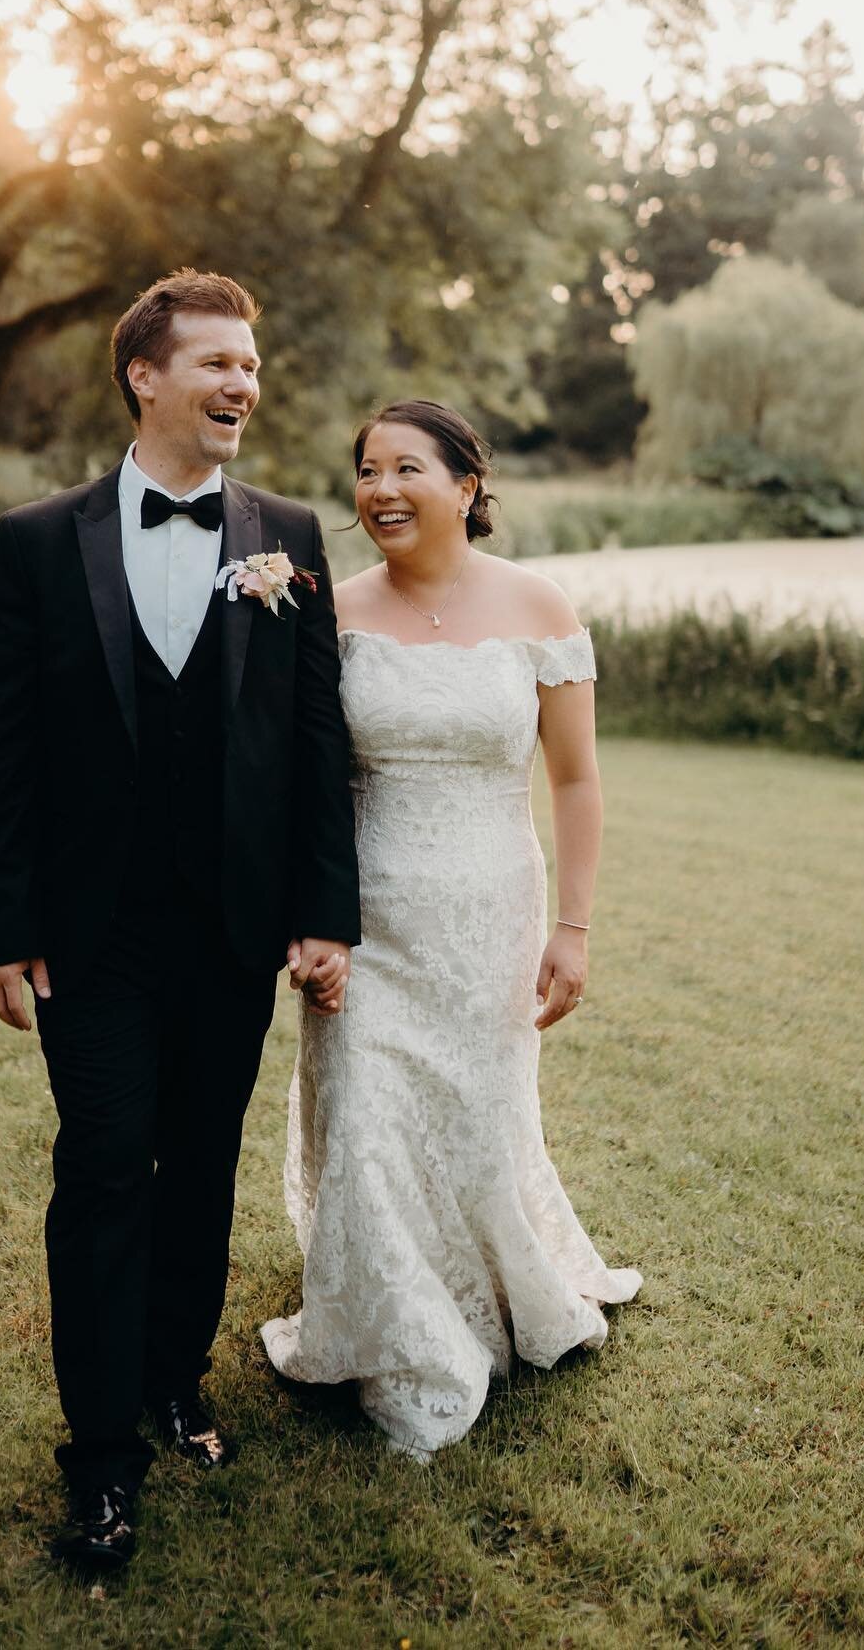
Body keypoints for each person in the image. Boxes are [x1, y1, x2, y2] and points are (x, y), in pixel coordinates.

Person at [0, 270, 359, 1573]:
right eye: (218, 364)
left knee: (200, 1165)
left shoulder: (289, 536)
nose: (243, 384)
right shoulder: (37, 541)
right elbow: (6, 749)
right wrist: (3, 922)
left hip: (236, 930)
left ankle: (177, 1378)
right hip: (93, 935)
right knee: (103, 1169)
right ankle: (99, 1459)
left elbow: (314, 747)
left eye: (251, 365)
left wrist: (322, 917)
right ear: (146, 376)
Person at [261, 399, 642, 1460]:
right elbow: (306, 787)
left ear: (466, 486)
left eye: (406, 468)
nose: (380, 489)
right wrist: (311, 922)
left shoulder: (536, 604)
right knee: (369, 1121)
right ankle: (403, 1339)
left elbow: (575, 778)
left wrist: (573, 926)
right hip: (366, 913)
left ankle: (499, 1284)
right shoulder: (329, 612)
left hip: (491, 909)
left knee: (478, 1124)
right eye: (366, 469)